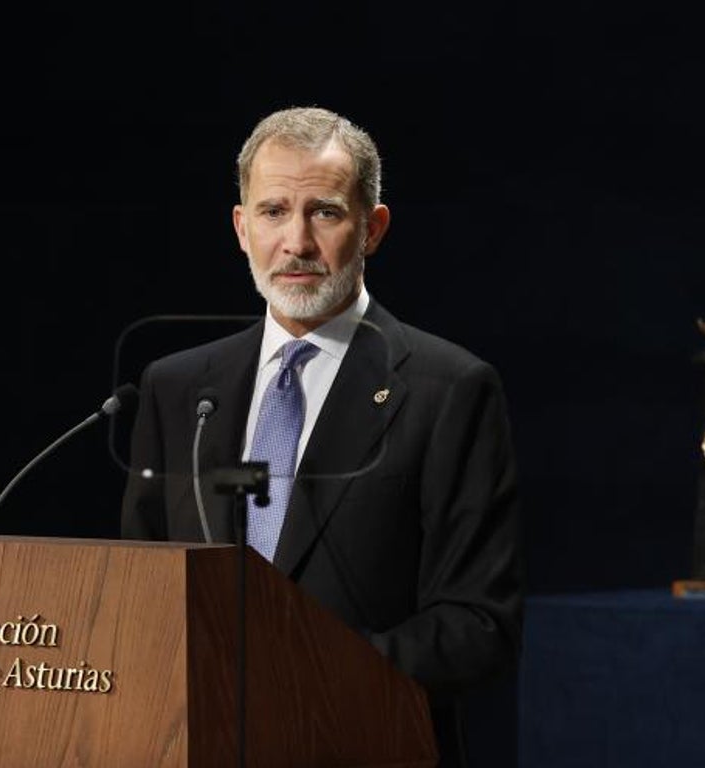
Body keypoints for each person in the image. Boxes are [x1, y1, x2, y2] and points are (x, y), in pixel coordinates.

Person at [120, 106, 523, 766]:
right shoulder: (177, 389)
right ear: (241, 227)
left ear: (374, 228)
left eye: (326, 213)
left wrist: (304, 672)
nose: (298, 243)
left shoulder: (449, 390)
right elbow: (139, 597)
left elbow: (481, 627)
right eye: (274, 211)